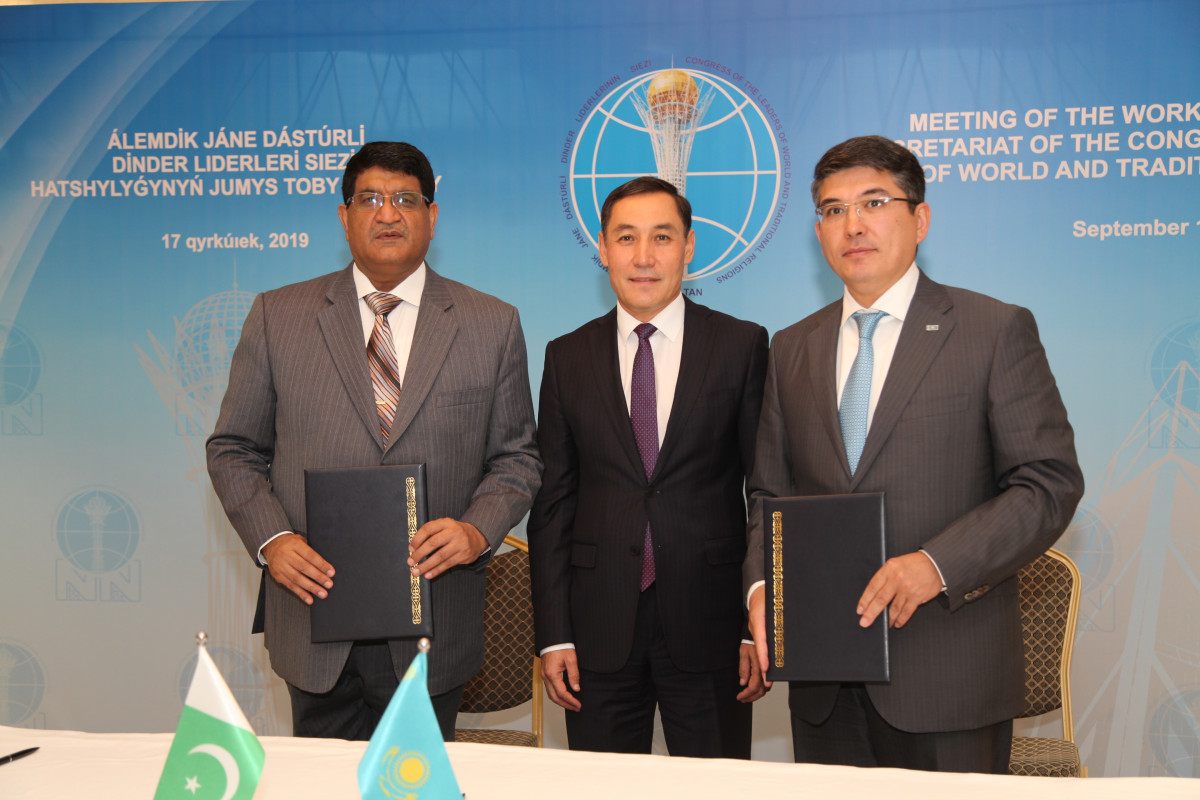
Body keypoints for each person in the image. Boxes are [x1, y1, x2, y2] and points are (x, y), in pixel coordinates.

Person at [744, 135, 1084, 772]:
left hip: (948, 676)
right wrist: (763, 586)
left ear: (920, 219)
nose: (853, 224)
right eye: (833, 209)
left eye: (874, 202)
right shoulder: (791, 348)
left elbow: (1047, 484)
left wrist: (937, 564)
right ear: (818, 231)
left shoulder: (992, 329)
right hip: (824, 683)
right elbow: (769, 493)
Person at [206, 141, 542, 741]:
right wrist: (273, 541)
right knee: (321, 784)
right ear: (344, 216)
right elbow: (233, 448)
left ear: (432, 216)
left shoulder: (491, 323)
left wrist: (476, 530)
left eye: (406, 200)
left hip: (434, 620)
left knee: (417, 781)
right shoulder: (278, 316)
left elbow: (516, 459)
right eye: (370, 199)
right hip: (314, 618)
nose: (388, 214)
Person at [529, 176, 769, 758]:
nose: (643, 257)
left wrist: (753, 624)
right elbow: (553, 505)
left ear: (688, 247)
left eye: (661, 237)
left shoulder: (742, 346)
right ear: (603, 248)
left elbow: (765, 490)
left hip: (714, 627)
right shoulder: (566, 356)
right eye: (626, 237)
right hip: (596, 630)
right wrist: (554, 635)